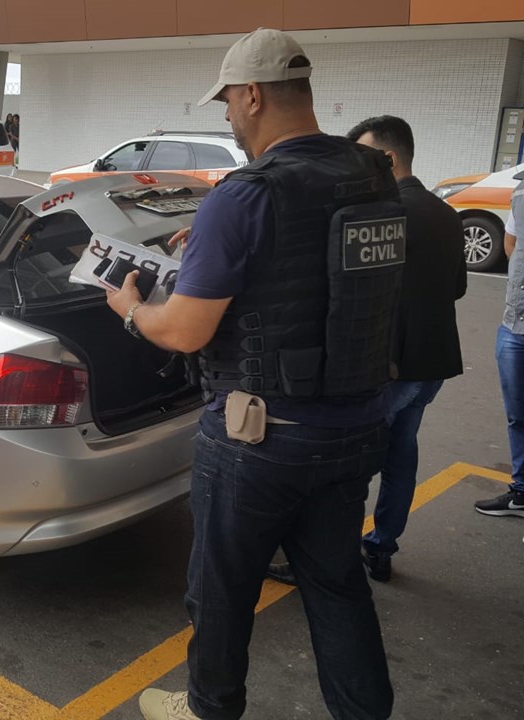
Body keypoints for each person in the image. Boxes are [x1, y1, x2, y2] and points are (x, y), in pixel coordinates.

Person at [106, 28, 402, 720]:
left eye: (229, 107)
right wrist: (210, 243)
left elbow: (184, 330)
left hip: (257, 442)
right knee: (335, 585)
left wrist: (130, 309)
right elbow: (328, 278)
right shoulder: (371, 175)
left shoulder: (246, 195)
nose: (231, 121)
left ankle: (209, 710)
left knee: (221, 591)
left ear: (252, 95)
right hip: (356, 426)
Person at [268, 116, 467, 585]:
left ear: (388, 159)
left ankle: (320, 562)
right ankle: (380, 548)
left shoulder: (386, 211)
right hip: (431, 366)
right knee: (400, 454)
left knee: (345, 464)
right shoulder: (445, 213)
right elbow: (457, 288)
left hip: (389, 366)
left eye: (363, 155)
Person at [475, 172, 524, 518]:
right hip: (515, 326)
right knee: (517, 416)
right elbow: (511, 242)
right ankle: (521, 491)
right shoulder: (522, 190)